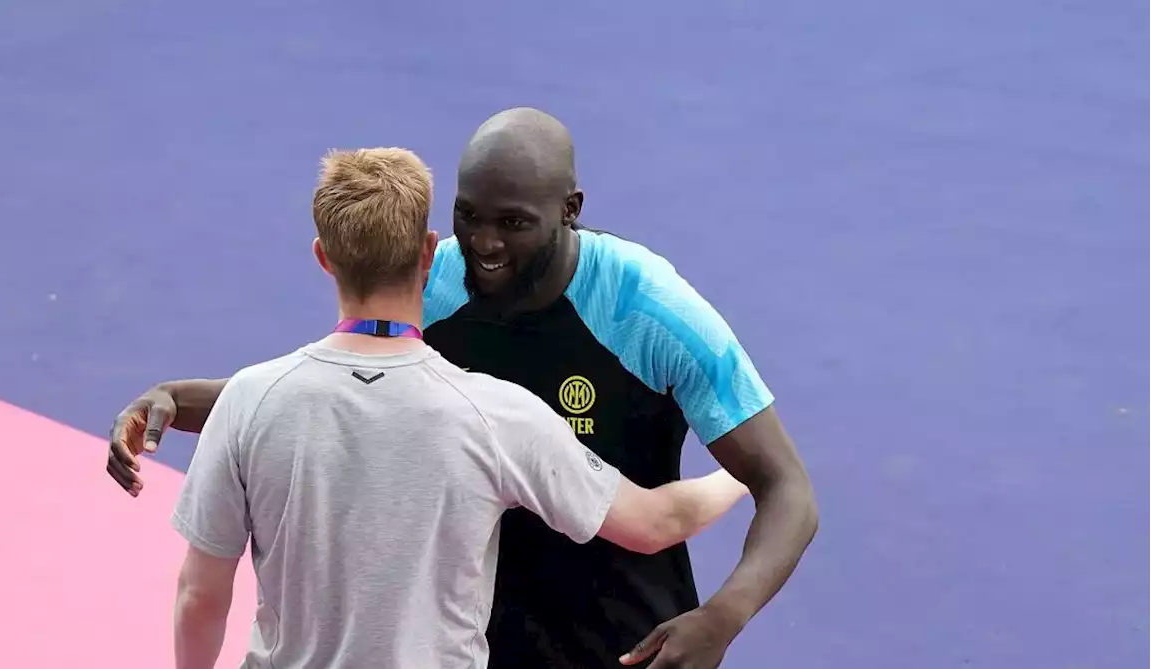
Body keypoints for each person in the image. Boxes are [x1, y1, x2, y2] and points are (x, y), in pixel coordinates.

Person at [111, 109, 819, 668]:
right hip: (477, 634)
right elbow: (324, 385)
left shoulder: (652, 310)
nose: (483, 243)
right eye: (468, 214)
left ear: (570, 207)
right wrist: (177, 397)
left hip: (621, 637)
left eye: (513, 223)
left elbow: (788, 489)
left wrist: (723, 615)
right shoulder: (437, 280)